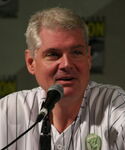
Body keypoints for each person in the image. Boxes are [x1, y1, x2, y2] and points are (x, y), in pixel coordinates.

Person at [0, 7, 125, 150]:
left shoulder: (115, 105)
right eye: (53, 54)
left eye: (76, 52)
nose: (66, 64)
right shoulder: (7, 111)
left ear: (89, 58)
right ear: (31, 62)